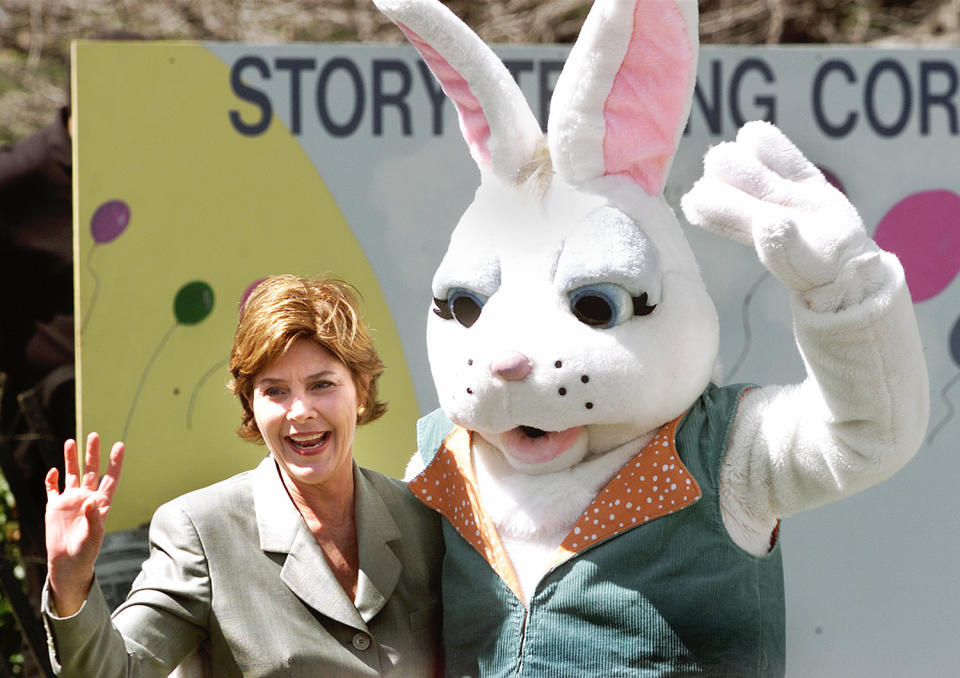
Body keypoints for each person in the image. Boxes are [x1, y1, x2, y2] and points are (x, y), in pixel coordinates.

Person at [40, 274, 444, 677]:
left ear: (362, 389)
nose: (300, 410)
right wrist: (70, 581)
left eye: (321, 384)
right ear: (250, 405)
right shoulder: (199, 531)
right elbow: (117, 672)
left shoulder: (423, 517)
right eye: (275, 390)